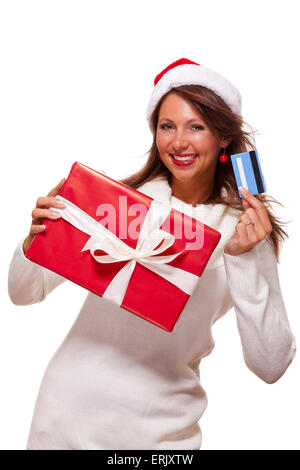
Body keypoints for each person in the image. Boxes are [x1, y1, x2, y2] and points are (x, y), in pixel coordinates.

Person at [8, 58, 296, 450]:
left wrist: (243, 259)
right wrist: (34, 240)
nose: (179, 142)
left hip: (159, 437)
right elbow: (23, 293)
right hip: (61, 421)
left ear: (223, 137)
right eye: (167, 126)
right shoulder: (121, 204)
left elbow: (271, 364)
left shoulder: (242, 231)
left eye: (197, 127)